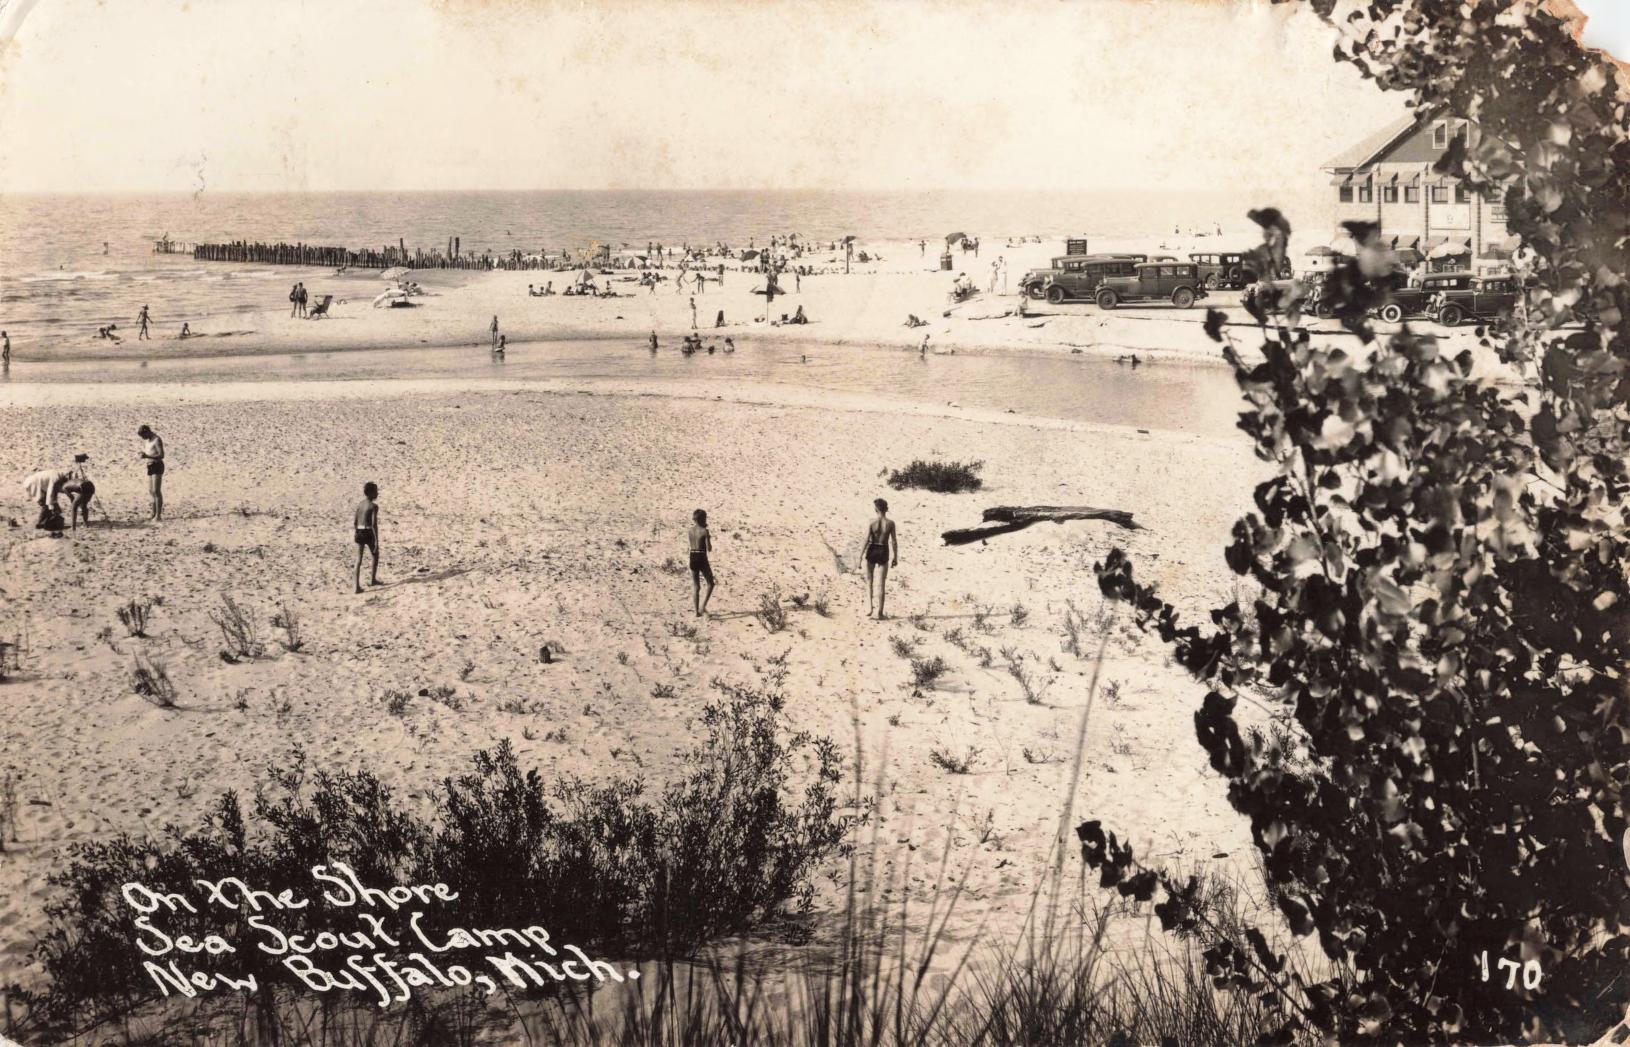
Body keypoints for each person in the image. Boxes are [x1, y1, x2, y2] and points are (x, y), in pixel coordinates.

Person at [862, 498, 899, 619]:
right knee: (881, 583)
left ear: (875, 509)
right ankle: (880, 613)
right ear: (886, 509)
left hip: (872, 549)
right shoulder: (891, 523)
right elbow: (894, 542)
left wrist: (860, 556)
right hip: (883, 550)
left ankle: (869, 607)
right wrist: (895, 557)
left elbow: (866, 540)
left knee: (869, 581)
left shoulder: (871, 522)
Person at [354, 482, 380, 594]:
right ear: (371, 493)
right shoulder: (373, 506)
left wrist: (356, 532)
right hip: (368, 532)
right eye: (376, 491)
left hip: (359, 531)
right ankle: (372, 580)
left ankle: (356, 587)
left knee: (358, 559)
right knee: (375, 554)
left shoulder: (360, 504)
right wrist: (376, 540)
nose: (377, 493)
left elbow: (355, 521)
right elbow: (374, 524)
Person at [689, 509, 715, 617]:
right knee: (710, 583)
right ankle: (703, 606)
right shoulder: (704, 531)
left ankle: (696, 612)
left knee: (696, 586)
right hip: (701, 557)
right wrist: (708, 537)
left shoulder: (690, 530)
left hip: (692, 556)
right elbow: (709, 548)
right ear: (703, 519)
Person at [137, 425, 164, 521]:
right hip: (150, 465)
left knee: (156, 491)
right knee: (151, 491)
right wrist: (144, 455)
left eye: (143, 436)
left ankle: (158, 515)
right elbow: (150, 452)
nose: (143, 438)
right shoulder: (148, 440)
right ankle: (153, 513)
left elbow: (161, 455)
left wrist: (147, 456)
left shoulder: (157, 439)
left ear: (147, 432)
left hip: (157, 465)